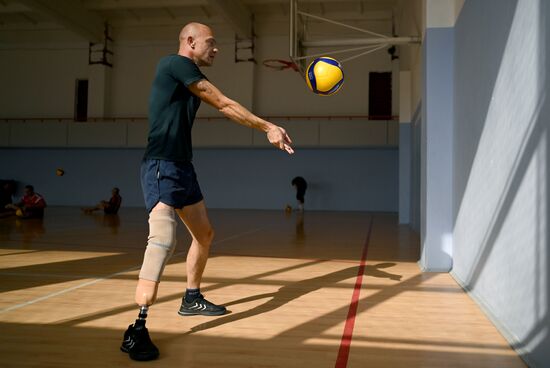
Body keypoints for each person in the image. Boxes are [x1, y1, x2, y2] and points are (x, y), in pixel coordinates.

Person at [120, 22, 294, 361]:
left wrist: (265, 127)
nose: (215, 50)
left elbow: (225, 107)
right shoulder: (175, 63)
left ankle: (191, 298)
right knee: (162, 240)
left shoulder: (186, 72)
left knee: (204, 234)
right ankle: (136, 328)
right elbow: (223, 103)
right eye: (210, 43)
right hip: (161, 165)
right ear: (189, 41)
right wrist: (268, 126)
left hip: (182, 166)